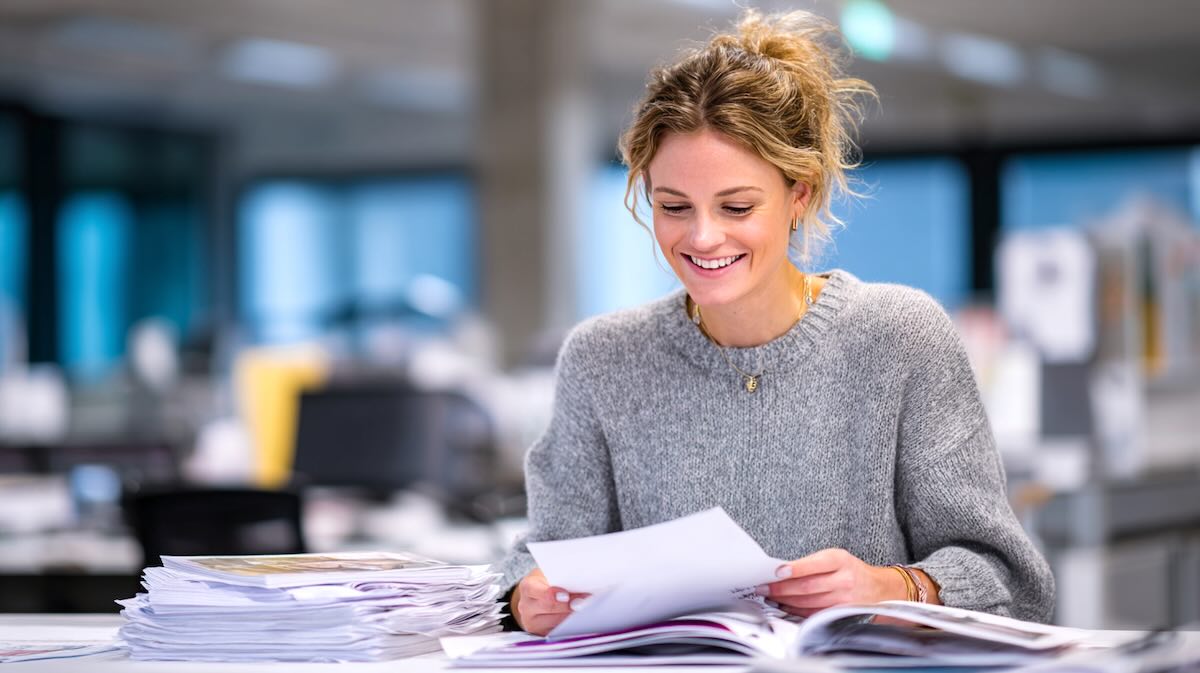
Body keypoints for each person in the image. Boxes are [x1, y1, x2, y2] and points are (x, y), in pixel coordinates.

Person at [494, 9, 1055, 636]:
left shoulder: (900, 336)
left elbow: (1011, 581)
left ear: (800, 195)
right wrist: (524, 597)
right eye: (673, 206)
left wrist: (890, 586)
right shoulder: (601, 358)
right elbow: (538, 557)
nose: (703, 237)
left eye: (736, 206)